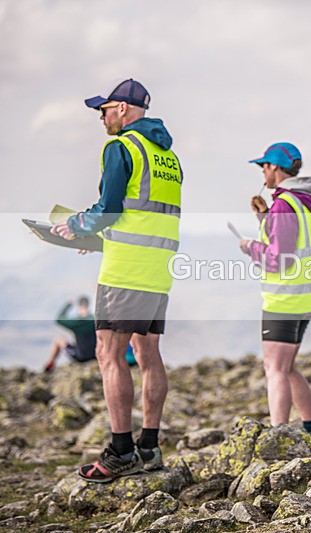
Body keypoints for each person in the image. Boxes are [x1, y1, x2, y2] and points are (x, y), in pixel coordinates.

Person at [51, 79, 182, 482]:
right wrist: (98, 237)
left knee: (109, 353)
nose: (102, 118)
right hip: (158, 266)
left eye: (104, 110)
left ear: (123, 109)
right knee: (148, 354)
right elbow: (143, 213)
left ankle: (121, 449)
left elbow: (109, 208)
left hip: (125, 269)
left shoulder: (121, 147)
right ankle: (150, 446)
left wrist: (76, 224)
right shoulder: (168, 157)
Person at [239, 142, 311, 442]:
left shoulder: (285, 204)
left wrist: (250, 246)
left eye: (264, 166)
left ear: (275, 168)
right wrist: (265, 218)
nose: (262, 171)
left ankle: (279, 439)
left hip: (284, 298)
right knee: (287, 368)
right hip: (305, 297)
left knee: (275, 369)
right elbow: (290, 240)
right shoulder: (303, 200)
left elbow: (279, 258)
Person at [45, 296, 97, 372]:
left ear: (79, 308)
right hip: (95, 356)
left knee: (59, 340)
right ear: (88, 307)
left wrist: (69, 304)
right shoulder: (94, 320)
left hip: (80, 357)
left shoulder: (75, 323)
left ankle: (50, 364)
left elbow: (59, 319)